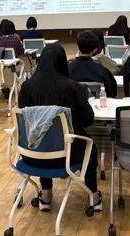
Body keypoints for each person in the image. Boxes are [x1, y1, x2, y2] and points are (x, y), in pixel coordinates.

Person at [18, 44, 101, 211]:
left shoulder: (26, 87)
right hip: (67, 156)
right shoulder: (74, 87)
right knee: (90, 145)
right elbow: (87, 120)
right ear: (63, 63)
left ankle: (46, 194)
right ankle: (93, 194)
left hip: (32, 154)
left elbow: (26, 118)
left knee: (43, 136)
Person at [68, 31, 117, 98]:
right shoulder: (103, 71)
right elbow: (112, 93)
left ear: (78, 47)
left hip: (72, 104)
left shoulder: (66, 70)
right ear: (95, 50)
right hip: (98, 104)